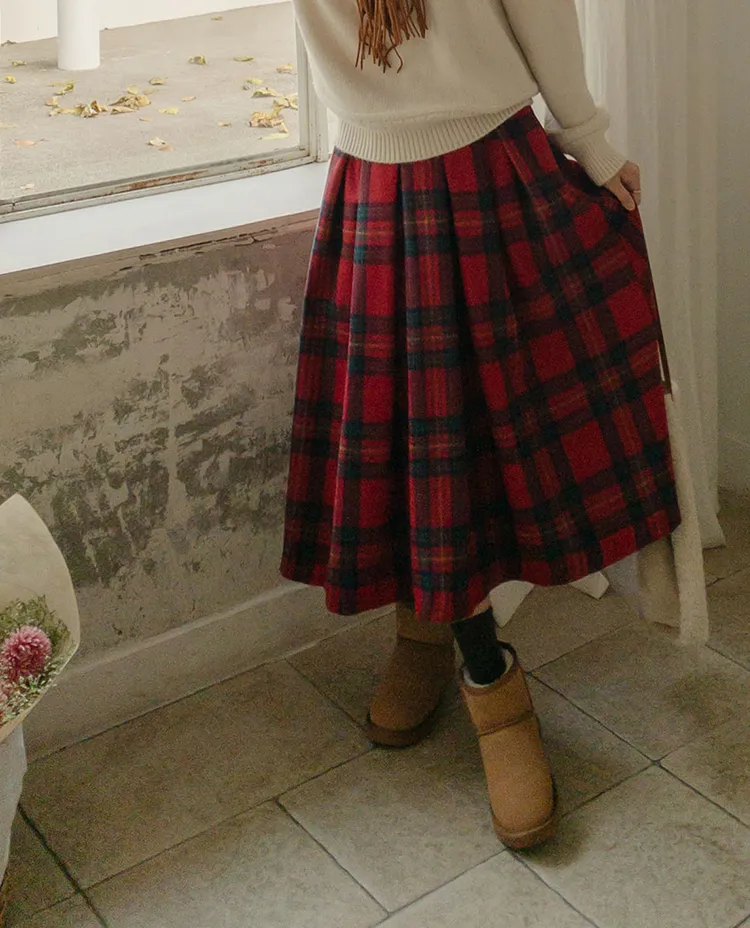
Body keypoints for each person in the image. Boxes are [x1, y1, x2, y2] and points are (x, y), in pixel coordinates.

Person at [280, 0, 680, 849]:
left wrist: (590, 140)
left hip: (491, 165)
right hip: (372, 172)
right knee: (409, 439)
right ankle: (444, 643)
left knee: (483, 438)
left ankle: (477, 673)